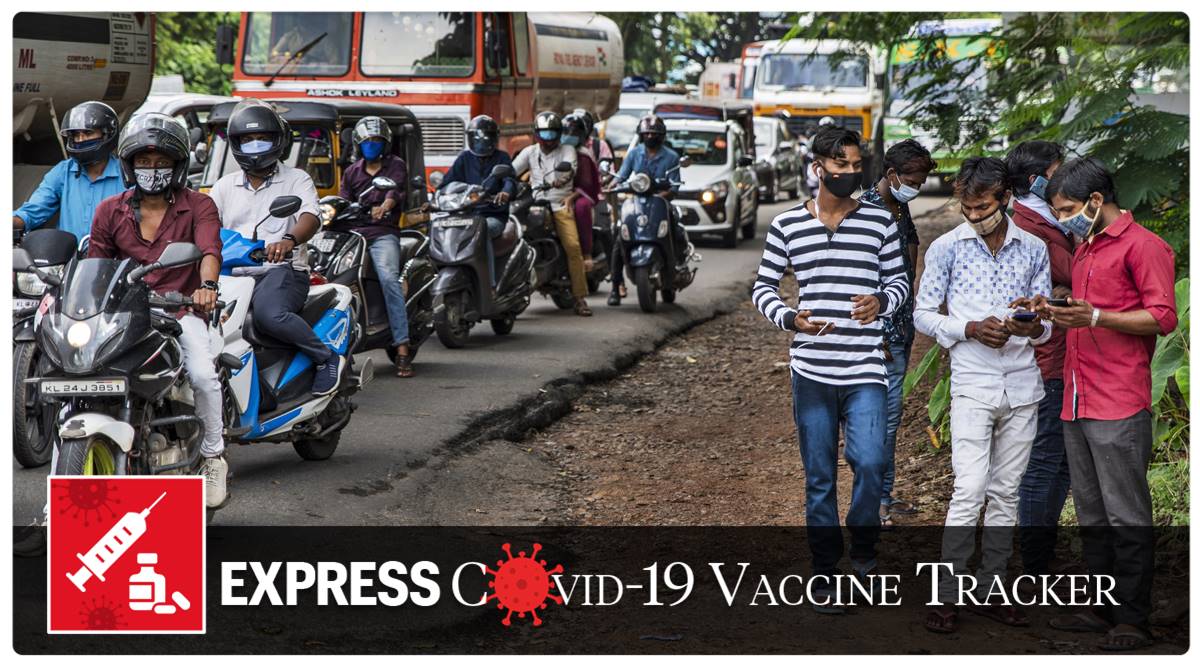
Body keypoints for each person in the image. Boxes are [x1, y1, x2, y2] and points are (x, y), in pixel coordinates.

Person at [752, 126, 909, 612]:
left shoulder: (879, 222)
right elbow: (763, 289)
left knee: (870, 461)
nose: (850, 175)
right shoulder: (786, 226)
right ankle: (825, 571)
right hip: (812, 370)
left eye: (856, 166)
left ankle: (863, 555)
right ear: (818, 166)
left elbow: (900, 283)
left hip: (865, 367)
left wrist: (881, 301)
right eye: (840, 167)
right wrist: (790, 317)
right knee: (818, 476)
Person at [1037, 157, 1176, 651]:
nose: (1065, 218)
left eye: (1070, 209)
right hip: (1077, 396)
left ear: (1097, 201)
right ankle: (1101, 610)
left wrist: (1096, 317)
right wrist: (1055, 305)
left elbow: (1163, 317)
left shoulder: (1145, 246)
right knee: (1093, 513)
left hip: (1119, 399)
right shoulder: (1085, 246)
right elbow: (1086, 311)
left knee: (1126, 514)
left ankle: (1133, 619)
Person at [915, 157, 1052, 633]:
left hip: (1022, 384)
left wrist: (1031, 323)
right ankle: (946, 593)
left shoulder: (1033, 249)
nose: (973, 215)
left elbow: (1045, 324)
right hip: (972, 383)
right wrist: (969, 328)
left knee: (1005, 493)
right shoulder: (947, 248)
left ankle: (991, 588)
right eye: (966, 207)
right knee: (969, 489)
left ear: (1006, 198)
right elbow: (924, 314)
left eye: (982, 207)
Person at [88, 114, 227, 507]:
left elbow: (209, 251)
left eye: (161, 161)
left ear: (178, 164)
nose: (152, 169)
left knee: (201, 375)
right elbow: (96, 269)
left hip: (181, 314)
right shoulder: (109, 211)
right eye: (143, 162)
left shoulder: (199, 205)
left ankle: (214, 456)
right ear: (129, 166)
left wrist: (207, 287)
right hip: (126, 318)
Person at [207, 99, 341, 395]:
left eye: (262, 138)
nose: (255, 145)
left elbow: (310, 216)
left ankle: (324, 356)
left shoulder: (297, 179)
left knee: (270, 316)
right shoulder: (223, 187)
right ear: (236, 144)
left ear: (277, 141)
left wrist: (288, 240)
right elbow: (205, 225)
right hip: (232, 276)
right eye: (248, 140)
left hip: (280, 271)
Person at [1004, 140, 1076, 579]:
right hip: (1046, 357)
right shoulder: (1031, 227)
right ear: (1036, 181)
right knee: (1044, 460)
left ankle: (1042, 554)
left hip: (1065, 354)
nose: (1064, 178)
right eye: (1057, 170)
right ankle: (1034, 563)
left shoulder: (1049, 219)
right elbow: (1065, 281)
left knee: (1059, 458)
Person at [857, 138, 936, 529]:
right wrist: (883, 336)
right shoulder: (865, 211)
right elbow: (864, 281)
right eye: (914, 178)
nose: (918, 185)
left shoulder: (899, 207)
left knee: (891, 419)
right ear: (892, 175)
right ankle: (874, 504)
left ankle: (883, 497)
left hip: (899, 329)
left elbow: (908, 266)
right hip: (879, 337)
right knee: (882, 421)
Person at [338, 116, 415, 378]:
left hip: (383, 234)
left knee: (389, 279)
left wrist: (385, 207)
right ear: (358, 144)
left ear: (385, 143)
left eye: (377, 140)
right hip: (354, 235)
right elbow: (343, 201)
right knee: (335, 283)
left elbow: (395, 192)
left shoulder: (395, 165)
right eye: (367, 140)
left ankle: (402, 348)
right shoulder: (351, 172)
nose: (372, 144)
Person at [513, 111, 592, 316]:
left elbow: (569, 170)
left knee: (573, 247)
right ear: (537, 134)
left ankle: (580, 298)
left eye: (552, 134)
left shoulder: (567, 150)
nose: (548, 139)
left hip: (559, 204)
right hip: (534, 202)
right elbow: (512, 170)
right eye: (544, 134)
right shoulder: (530, 152)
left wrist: (559, 180)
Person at [13, 101, 126, 240]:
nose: (80, 140)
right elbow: (32, 212)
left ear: (107, 134)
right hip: (69, 258)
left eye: (88, 133)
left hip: (113, 259)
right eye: (76, 135)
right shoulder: (63, 172)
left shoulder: (126, 174)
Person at [609, 114, 684, 307]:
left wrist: (663, 194)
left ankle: (678, 266)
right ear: (641, 135)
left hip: (661, 202)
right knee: (620, 240)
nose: (650, 136)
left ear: (661, 136)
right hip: (637, 204)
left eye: (654, 133)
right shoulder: (634, 153)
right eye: (647, 133)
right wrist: (611, 184)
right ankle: (615, 287)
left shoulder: (672, 157)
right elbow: (622, 176)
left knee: (676, 229)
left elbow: (674, 187)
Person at [441, 115, 516, 287]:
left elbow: (510, 181)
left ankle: (489, 283)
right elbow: (448, 182)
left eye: (486, 138)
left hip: (492, 216)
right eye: (477, 138)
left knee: (482, 231)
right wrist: (436, 197)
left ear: (494, 139)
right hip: (465, 215)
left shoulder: (502, 158)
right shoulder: (464, 158)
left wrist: (505, 192)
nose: (481, 143)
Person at [562, 112, 600, 271]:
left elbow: (586, 184)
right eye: (567, 132)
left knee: (581, 208)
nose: (570, 136)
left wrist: (571, 197)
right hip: (555, 191)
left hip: (580, 194)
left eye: (574, 133)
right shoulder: (555, 150)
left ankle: (587, 254)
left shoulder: (583, 155)